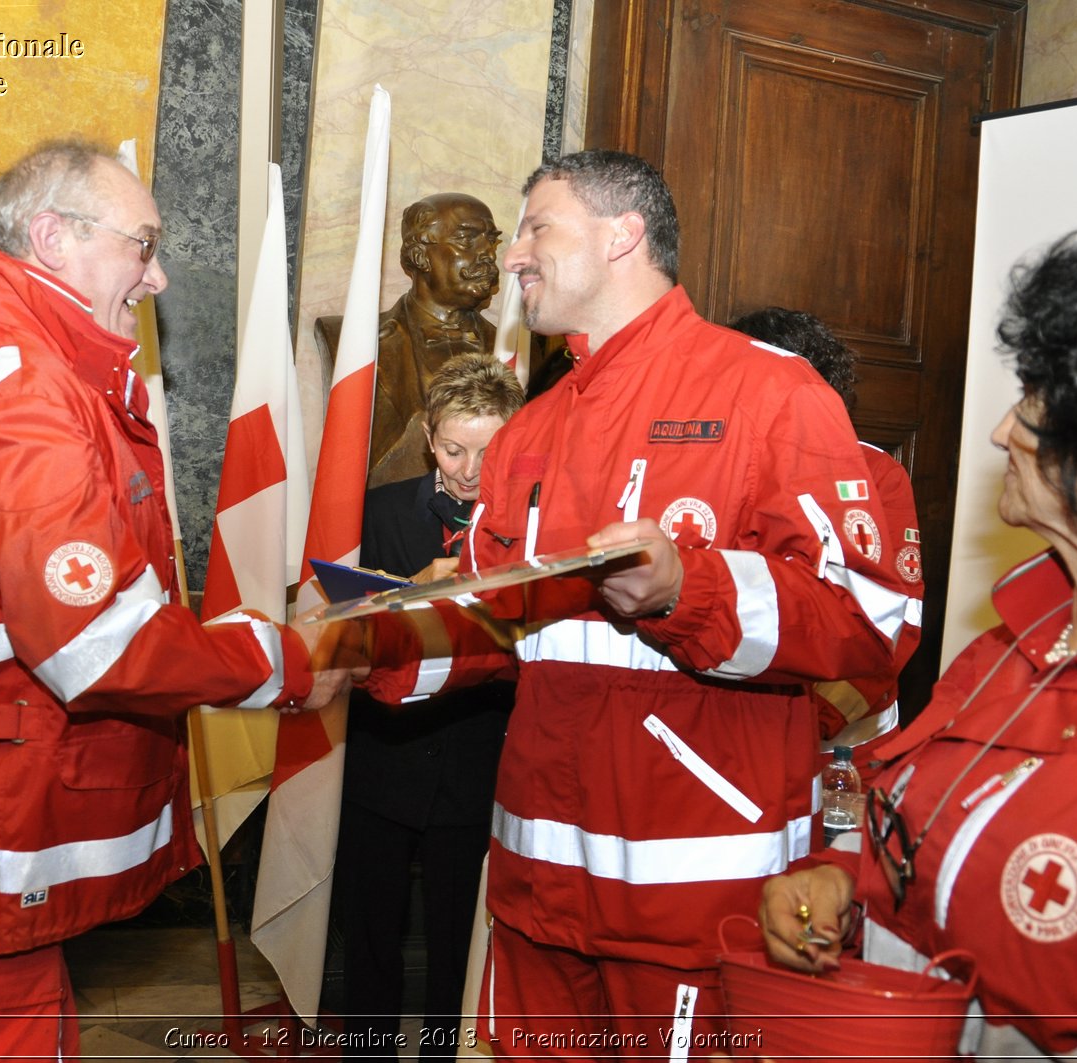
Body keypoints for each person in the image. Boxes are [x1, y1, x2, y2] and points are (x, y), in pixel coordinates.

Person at [351, 150, 919, 1056]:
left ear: (625, 235)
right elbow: (509, 630)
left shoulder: (769, 390)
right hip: (537, 882)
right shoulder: (530, 426)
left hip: (692, 896)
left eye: (537, 226)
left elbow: (870, 622)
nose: (513, 256)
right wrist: (365, 638)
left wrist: (691, 588)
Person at [0, 140, 353, 1060]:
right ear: (53, 239)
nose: (154, 276)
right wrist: (275, 661)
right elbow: (99, 647)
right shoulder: (25, 399)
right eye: (141, 244)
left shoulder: (19, 367)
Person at [757, 226, 1077, 1060]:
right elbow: (941, 855)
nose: (999, 431)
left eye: (1031, 403)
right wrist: (843, 887)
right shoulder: (1007, 648)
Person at [335, 353, 524, 1060]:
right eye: (454, 448)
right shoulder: (373, 513)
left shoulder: (535, 530)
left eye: (490, 450)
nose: (470, 470)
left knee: (459, 949)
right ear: (426, 437)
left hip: (481, 769)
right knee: (371, 940)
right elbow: (334, 631)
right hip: (382, 763)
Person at [731, 307, 923, 773]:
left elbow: (897, 618)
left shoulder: (877, 474)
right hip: (740, 730)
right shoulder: (721, 469)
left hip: (844, 743)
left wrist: (814, 718)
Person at [315, 192, 502, 488]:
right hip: (390, 522)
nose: (488, 254)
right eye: (467, 240)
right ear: (419, 256)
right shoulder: (351, 340)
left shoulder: (517, 349)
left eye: (490, 241)